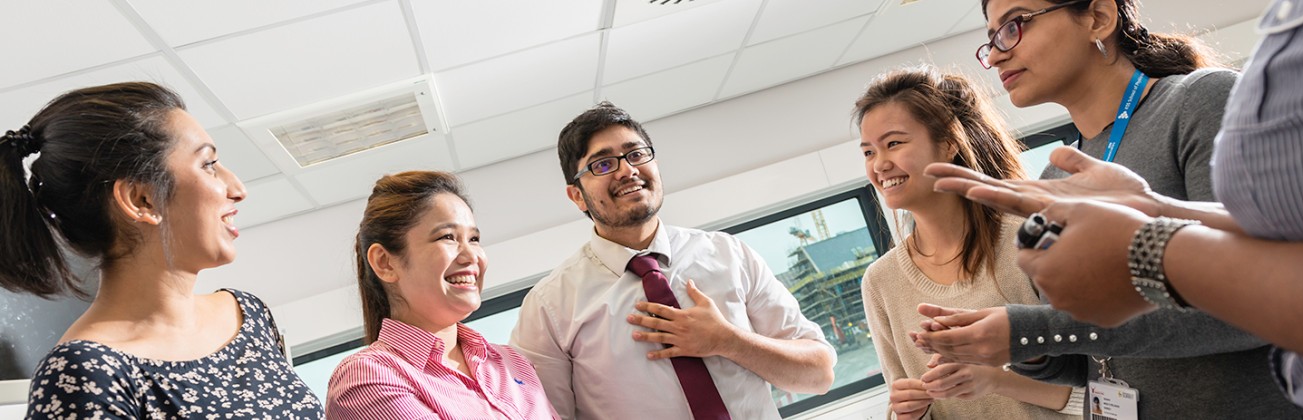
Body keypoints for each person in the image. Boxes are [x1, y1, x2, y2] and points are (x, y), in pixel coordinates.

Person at [922, 0, 1303, 416]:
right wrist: (1026, 349)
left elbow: (1256, 304)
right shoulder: (1057, 181)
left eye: (1014, 25)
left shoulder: (1196, 102)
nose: (997, 55)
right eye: (992, 38)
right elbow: (1092, 359)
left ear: (1097, 17)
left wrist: (1034, 328)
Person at [0, 82, 323, 418]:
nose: (237, 189)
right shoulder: (83, 375)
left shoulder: (249, 315)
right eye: (208, 164)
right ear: (142, 199)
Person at [509, 102, 836, 419]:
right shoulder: (548, 307)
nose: (627, 170)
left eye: (636, 154)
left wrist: (728, 340)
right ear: (577, 195)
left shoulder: (728, 254)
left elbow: (819, 374)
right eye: (603, 164)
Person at [856, 66, 1082, 420]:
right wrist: (906, 414)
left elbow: (1105, 389)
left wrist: (995, 380)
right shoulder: (879, 282)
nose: (880, 164)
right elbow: (905, 399)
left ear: (948, 144)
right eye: (868, 152)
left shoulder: (1032, 237)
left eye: (893, 143)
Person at [326, 171, 557, 419]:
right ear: (385, 263)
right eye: (447, 237)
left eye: (474, 239)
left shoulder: (511, 362)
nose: (472, 256)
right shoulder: (367, 378)